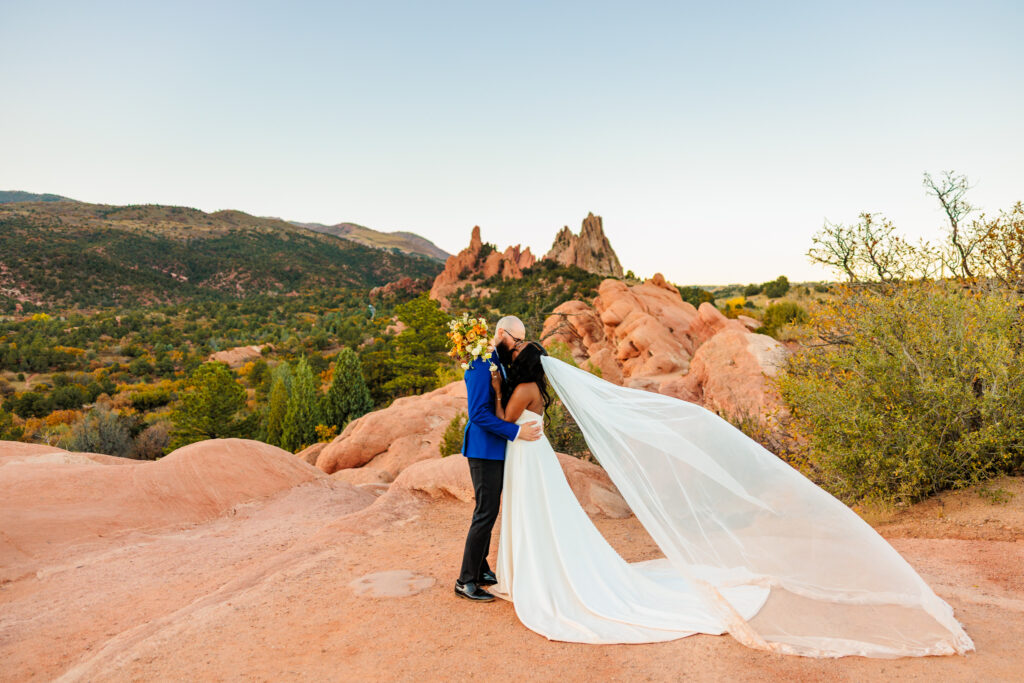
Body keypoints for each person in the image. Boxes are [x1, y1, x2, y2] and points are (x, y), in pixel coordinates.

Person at [481, 343, 974, 658]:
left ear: (520, 366)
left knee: (535, 516)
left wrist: (496, 380)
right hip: (535, 455)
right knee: (546, 516)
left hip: (527, 455)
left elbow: (503, 415)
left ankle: (537, 573)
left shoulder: (520, 388)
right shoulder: (537, 386)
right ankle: (534, 567)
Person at [454, 316, 540, 602]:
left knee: (489, 510)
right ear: (501, 333)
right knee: (485, 512)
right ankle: (465, 580)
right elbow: (478, 413)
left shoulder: (496, 360)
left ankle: (481, 569)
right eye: (515, 341)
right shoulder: (480, 362)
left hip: (494, 448)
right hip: (483, 448)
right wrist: (515, 432)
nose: (516, 347)